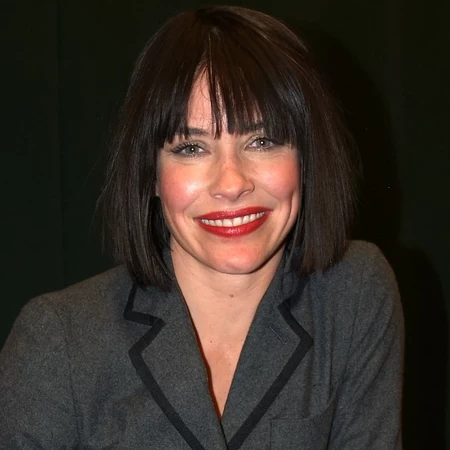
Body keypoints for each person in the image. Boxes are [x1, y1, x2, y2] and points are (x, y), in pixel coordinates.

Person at [0, 5, 404, 449]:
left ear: (306, 158)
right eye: (191, 148)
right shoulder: (58, 340)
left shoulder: (353, 294)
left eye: (262, 141)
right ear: (151, 175)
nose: (231, 183)